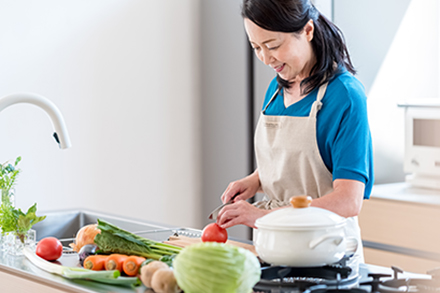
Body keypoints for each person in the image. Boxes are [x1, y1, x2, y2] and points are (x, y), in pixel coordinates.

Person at [216, 0, 374, 263]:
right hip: (275, 246)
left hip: (326, 252)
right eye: (256, 47)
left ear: (308, 31)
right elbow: (294, 160)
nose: (266, 59)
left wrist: (267, 217)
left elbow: (348, 201)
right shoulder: (276, 91)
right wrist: (255, 180)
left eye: (273, 46)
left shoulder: (345, 96)